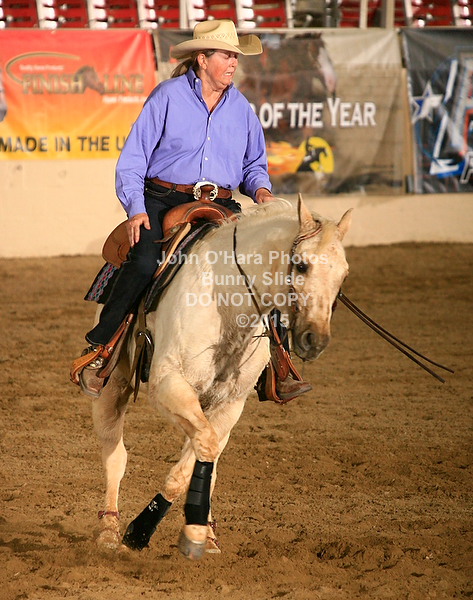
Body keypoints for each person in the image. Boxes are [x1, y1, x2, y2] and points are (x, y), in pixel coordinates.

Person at [73, 19, 311, 402]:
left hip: (221, 202)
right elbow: (133, 160)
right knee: (144, 260)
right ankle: (101, 348)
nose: (233, 63)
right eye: (226, 55)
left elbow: (253, 166)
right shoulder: (166, 97)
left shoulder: (241, 108)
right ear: (202, 59)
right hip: (163, 198)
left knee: (264, 265)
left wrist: (262, 191)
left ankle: (278, 364)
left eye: (235, 56)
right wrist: (136, 209)